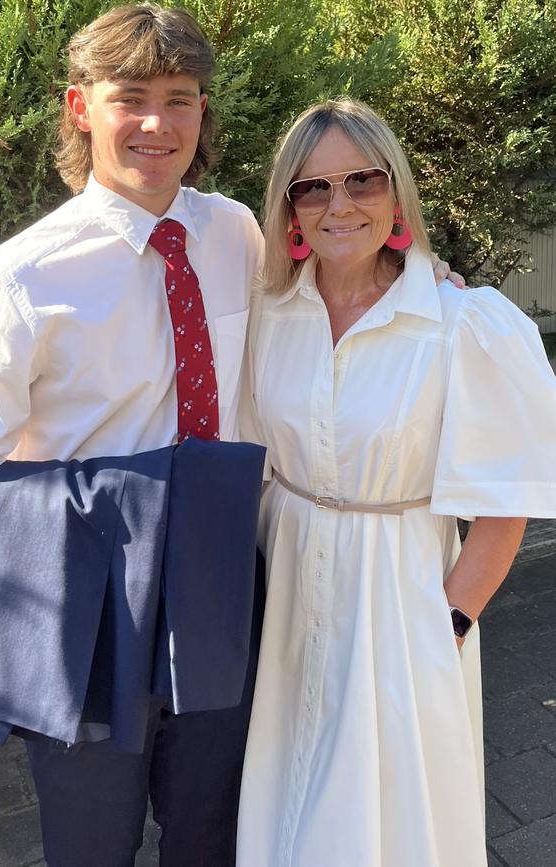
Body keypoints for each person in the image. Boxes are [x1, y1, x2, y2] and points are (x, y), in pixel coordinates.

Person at [0, 5, 266, 866]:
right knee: (91, 842)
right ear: (80, 107)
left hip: (223, 579)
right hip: (90, 607)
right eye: (130, 97)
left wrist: (418, 269)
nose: (158, 122)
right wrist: (88, 530)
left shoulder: (235, 233)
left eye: (180, 98)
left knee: (213, 826)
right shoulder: (18, 281)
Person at [236, 98, 556, 867]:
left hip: (400, 598)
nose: (339, 203)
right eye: (312, 188)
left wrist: (446, 624)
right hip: (283, 588)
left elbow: (505, 501)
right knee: (287, 799)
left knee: (392, 813)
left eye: (361, 180)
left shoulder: (462, 322)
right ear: (289, 209)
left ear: (396, 192)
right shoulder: (267, 312)